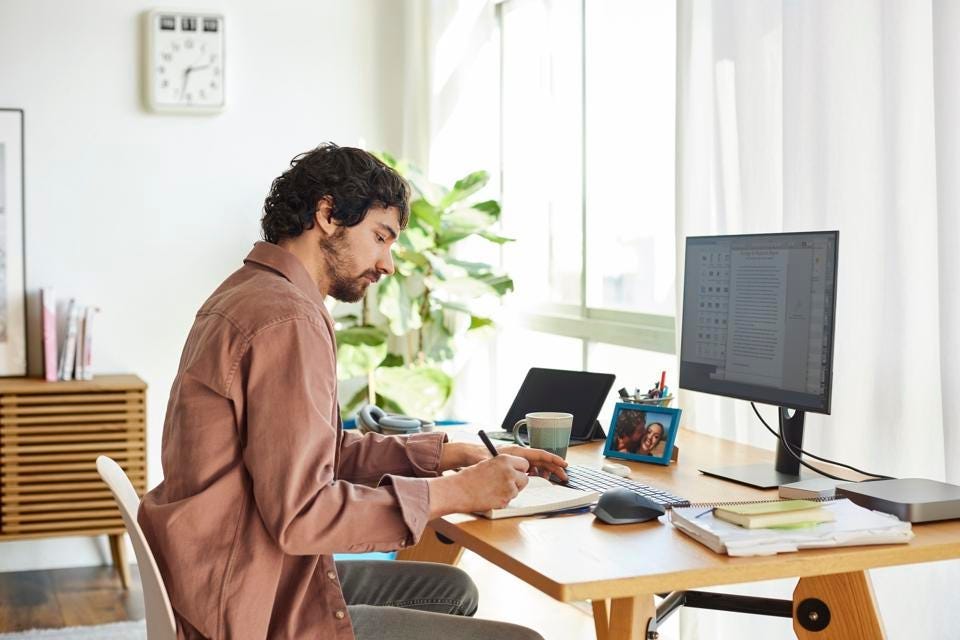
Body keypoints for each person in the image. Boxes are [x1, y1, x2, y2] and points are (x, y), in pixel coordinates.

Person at [137, 143, 567, 640]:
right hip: (252, 602)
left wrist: (445, 455)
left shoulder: (248, 291)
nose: (387, 264)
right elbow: (302, 516)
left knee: (454, 589)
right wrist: (457, 492)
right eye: (380, 237)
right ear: (327, 214)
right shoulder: (287, 318)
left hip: (225, 572)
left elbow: (314, 451)